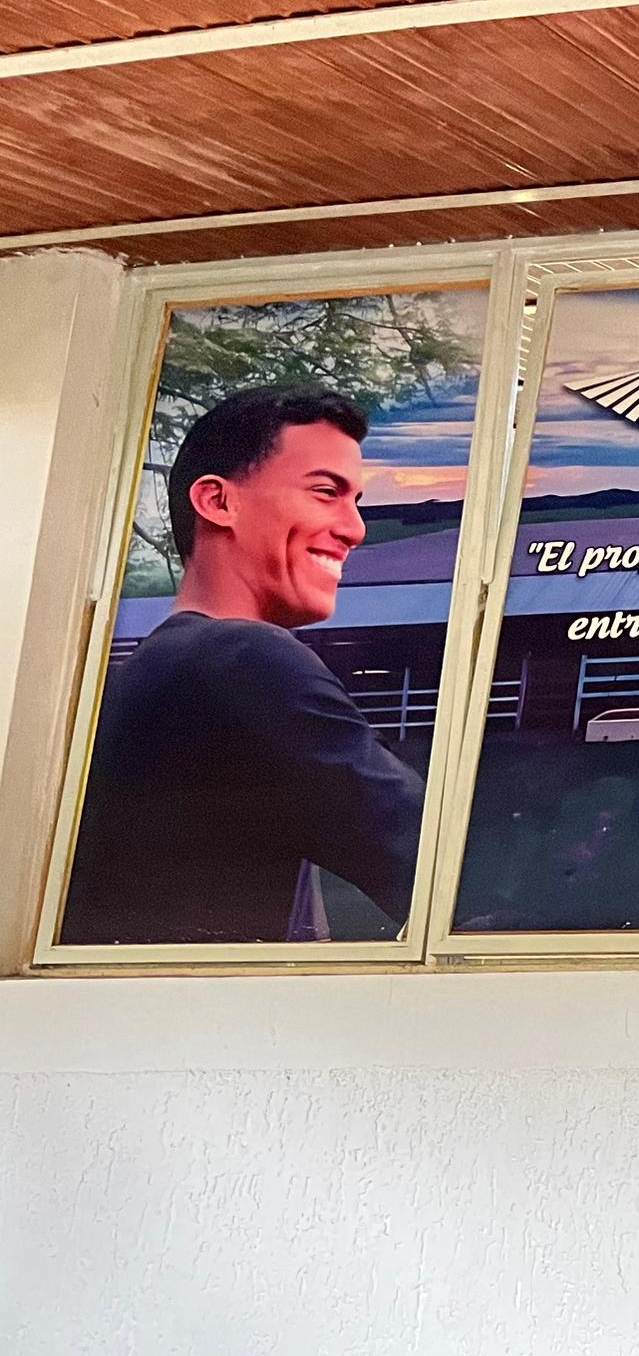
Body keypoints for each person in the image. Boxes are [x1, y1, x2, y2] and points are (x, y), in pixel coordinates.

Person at [59, 385, 424, 944]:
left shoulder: (146, 674)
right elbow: (445, 870)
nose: (355, 529)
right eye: (326, 492)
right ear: (217, 502)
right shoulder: (242, 660)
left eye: (355, 501)